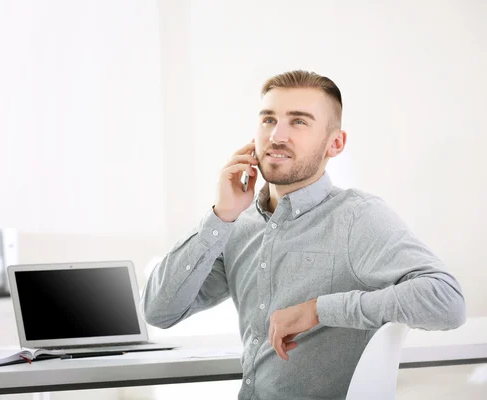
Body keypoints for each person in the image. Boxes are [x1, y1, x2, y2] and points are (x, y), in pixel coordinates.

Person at [141, 70, 466, 400]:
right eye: (269, 120)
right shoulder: (238, 224)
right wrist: (220, 216)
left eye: (298, 122)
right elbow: (159, 311)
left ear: (335, 143)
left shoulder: (357, 217)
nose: (277, 136)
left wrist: (319, 310)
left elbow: (447, 301)